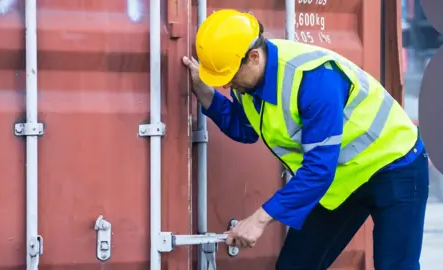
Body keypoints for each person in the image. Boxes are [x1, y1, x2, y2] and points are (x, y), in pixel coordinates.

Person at [182, 9, 429, 270]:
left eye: (229, 78)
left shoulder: (313, 79)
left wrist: (259, 219)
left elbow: (318, 170)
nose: (227, 86)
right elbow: (246, 129)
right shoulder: (249, 80)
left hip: (395, 167)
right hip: (341, 180)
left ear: (253, 57)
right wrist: (205, 93)